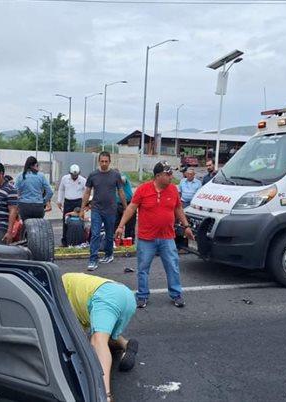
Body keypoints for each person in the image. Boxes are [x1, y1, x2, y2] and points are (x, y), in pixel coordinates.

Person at [116, 161, 194, 308]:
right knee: (143, 268)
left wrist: (186, 226)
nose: (171, 177)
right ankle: (142, 295)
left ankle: (176, 294)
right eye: (168, 174)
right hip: (147, 238)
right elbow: (131, 208)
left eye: (171, 174)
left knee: (172, 266)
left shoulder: (173, 190)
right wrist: (121, 226)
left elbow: (178, 209)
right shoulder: (143, 189)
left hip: (167, 237)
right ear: (158, 176)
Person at [62, 272, 138, 401]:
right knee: (103, 334)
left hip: (105, 298)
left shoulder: (58, 293)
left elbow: (77, 335)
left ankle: (105, 394)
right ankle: (126, 344)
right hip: (125, 295)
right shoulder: (66, 280)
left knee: (97, 341)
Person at [80, 152, 127, 271]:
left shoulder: (116, 175)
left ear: (110, 161)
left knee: (109, 234)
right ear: (99, 161)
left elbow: (121, 191)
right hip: (96, 209)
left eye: (106, 161)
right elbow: (87, 192)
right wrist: (82, 209)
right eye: (102, 161)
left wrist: (126, 207)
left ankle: (109, 254)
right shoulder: (93, 175)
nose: (104, 163)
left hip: (111, 209)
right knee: (95, 234)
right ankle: (93, 259)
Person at [15, 156, 54, 221]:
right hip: (38, 206)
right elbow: (50, 192)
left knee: (25, 226)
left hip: (24, 206)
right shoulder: (41, 176)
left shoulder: (20, 176)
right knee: (38, 227)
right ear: (35, 165)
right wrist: (43, 201)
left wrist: (18, 201)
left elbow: (13, 191)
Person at [57, 164, 87, 246]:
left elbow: (87, 191)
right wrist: (59, 200)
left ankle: (80, 240)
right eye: (73, 175)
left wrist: (86, 204)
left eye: (76, 175)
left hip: (78, 202)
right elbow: (61, 189)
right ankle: (65, 241)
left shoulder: (83, 180)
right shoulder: (65, 178)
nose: (74, 176)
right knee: (66, 221)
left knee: (80, 220)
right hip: (68, 202)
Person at [114, 172, 135, 240]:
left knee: (130, 226)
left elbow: (123, 180)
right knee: (115, 224)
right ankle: (115, 241)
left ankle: (129, 241)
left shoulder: (123, 176)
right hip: (117, 204)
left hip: (129, 204)